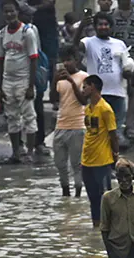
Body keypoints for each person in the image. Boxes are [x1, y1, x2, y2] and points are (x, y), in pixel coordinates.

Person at [0, 1, 41, 163]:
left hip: (24, 80)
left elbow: (34, 59)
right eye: (6, 12)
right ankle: (15, 153)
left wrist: (30, 85)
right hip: (8, 82)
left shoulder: (27, 32)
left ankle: (29, 152)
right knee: (12, 117)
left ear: (17, 12)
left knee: (29, 117)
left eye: (12, 11)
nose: (9, 14)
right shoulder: (1, 34)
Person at [81, 13, 134, 144]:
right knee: (97, 130)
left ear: (111, 27)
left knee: (116, 132)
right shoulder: (88, 42)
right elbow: (75, 47)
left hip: (117, 92)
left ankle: (114, 160)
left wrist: (129, 80)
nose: (103, 27)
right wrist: (80, 27)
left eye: (106, 24)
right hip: (97, 94)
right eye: (100, 24)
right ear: (95, 27)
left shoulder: (119, 44)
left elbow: (125, 65)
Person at [81, 74, 120, 227]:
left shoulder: (105, 109)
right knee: (92, 198)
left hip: (102, 160)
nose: (83, 90)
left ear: (93, 87)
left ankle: (108, 227)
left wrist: (115, 156)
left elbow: (113, 135)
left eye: (85, 87)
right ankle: (96, 227)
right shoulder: (88, 109)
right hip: (87, 160)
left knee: (105, 198)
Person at [51, 46, 89, 198]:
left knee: (77, 164)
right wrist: (55, 79)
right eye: (64, 61)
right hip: (60, 126)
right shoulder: (59, 79)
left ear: (76, 60)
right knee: (60, 164)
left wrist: (72, 82)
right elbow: (53, 98)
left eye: (69, 60)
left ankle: (78, 194)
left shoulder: (84, 77)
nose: (66, 64)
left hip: (78, 127)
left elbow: (83, 101)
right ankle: (65, 193)